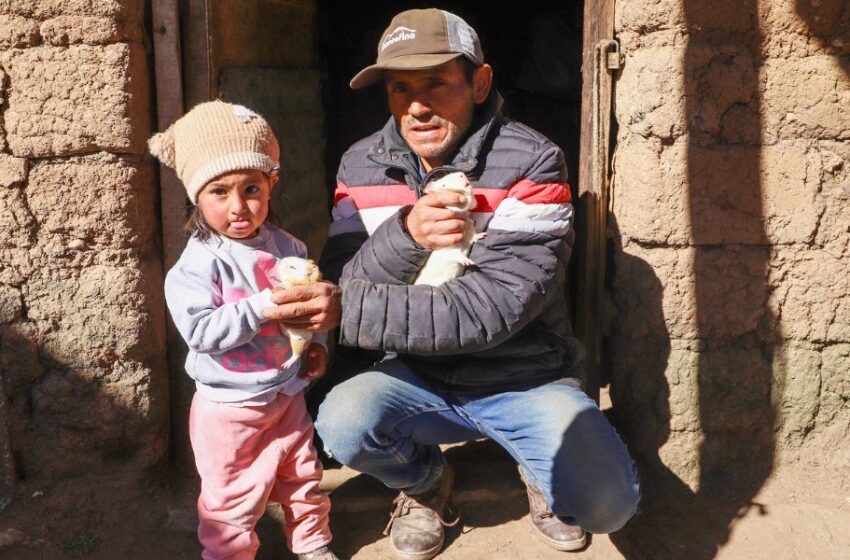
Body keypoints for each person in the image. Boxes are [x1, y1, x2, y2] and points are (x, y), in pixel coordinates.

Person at [315, 8, 640, 560]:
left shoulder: (533, 163)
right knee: (342, 422)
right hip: (414, 376)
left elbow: (487, 311)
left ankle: (541, 466)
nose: (416, 107)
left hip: (524, 377)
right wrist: (406, 235)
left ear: (479, 82)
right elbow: (346, 274)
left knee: (606, 503)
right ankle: (423, 483)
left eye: (436, 83)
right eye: (399, 88)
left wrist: (343, 307)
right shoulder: (361, 164)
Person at [150, 101, 340, 560]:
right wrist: (263, 305)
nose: (239, 207)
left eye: (251, 189)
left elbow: (308, 312)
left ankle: (313, 544)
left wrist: (314, 346)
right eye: (219, 192)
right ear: (198, 196)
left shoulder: (289, 248)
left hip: (287, 393)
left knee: (303, 475)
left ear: (271, 184)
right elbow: (201, 332)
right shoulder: (197, 265)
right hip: (229, 409)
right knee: (231, 497)